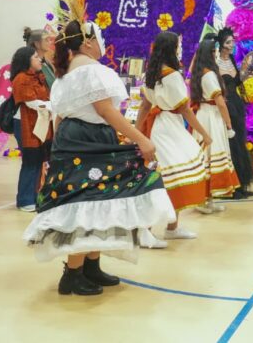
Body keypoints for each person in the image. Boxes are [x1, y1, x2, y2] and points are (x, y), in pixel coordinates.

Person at [22, 16, 175, 296]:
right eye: (99, 37)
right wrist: (141, 139)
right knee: (86, 202)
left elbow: (62, 117)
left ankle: (90, 266)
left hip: (74, 139)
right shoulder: (90, 72)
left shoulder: (65, 75)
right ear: (88, 42)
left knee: (96, 200)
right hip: (88, 139)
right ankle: (73, 274)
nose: (102, 42)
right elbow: (106, 111)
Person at [137, 31, 211, 241]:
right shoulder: (172, 75)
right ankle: (146, 231)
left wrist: (136, 131)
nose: (180, 49)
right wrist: (204, 133)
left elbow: (145, 106)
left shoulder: (151, 73)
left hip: (159, 127)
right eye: (178, 46)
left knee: (170, 176)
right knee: (167, 178)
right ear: (172, 49)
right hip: (170, 128)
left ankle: (171, 227)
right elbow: (185, 110)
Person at [190, 39, 239, 213]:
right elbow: (220, 102)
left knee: (208, 156)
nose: (217, 53)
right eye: (215, 51)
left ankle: (208, 199)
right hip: (211, 117)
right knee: (209, 155)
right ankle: (202, 200)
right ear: (210, 53)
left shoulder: (199, 72)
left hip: (205, 114)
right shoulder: (209, 74)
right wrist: (229, 124)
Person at [216, 28, 253, 197]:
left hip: (237, 104)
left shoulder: (232, 59)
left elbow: (236, 82)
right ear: (221, 44)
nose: (232, 45)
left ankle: (240, 181)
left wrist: (246, 75)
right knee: (229, 143)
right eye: (228, 42)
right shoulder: (215, 62)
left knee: (239, 141)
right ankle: (227, 184)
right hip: (224, 105)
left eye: (232, 41)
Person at [10, 47, 53, 212]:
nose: (39, 59)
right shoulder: (21, 78)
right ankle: (25, 200)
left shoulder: (38, 76)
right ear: (26, 60)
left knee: (38, 160)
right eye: (35, 57)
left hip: (39, 123)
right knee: (30, 161)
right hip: (25, 124)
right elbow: (31, 103)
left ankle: (34, 197)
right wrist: (52, 106)